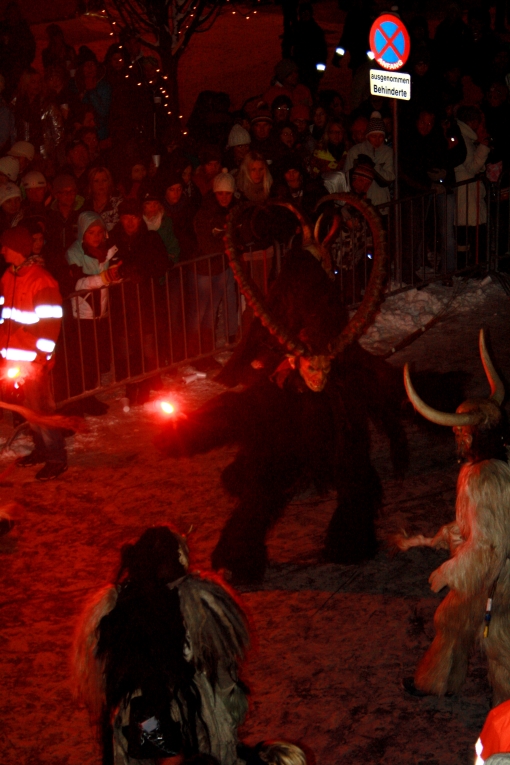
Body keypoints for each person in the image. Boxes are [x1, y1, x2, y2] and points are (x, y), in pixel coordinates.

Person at [396, 331, 510, 705]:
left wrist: (450, 571)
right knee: (451, 621)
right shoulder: (481, 471)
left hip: (500, 583)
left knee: (501, 647)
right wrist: (432, 539)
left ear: (471, 435)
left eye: (461, 432)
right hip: (487, 575)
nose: (457, 439)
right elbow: (474, 529)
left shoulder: (484, 478)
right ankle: (436, 681)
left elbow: (489, 548)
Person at [73, 525, 250, 765]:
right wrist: (230, 710)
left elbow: (102, 677)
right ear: (178, 557)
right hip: (188, 714)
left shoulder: (113, 604)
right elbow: (222, 670)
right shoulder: (199, 599)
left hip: (142, 717)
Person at [0, 225, 66, 480]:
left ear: (16, 248)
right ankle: (42, 450)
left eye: (6, 245)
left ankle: (56, 458)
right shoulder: (8, 277)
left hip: (33, 359)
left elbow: (51, 322)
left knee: (42, 409)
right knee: (30, 409)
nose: (2, 250)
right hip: (16, 358)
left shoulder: (41, 280)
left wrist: (43, 355)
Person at [192, 169, 239, 351]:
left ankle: (225, 336)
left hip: (224, 266)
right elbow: (205, 242)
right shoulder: (206, 212)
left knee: (223, 302)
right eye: (220, 193)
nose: (224, 198)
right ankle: (198, 345)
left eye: (228, 194)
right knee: (203, 308)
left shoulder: (235, 209)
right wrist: (227, 246)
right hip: (205, 267)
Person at [343, 111, 394, 212]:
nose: (377, 140)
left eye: (381, 136)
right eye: (374, 136)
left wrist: (372, 166)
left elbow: (388, 178)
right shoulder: (355, 151)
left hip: (381, 204)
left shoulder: (388, 152)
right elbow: (346, 179)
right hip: (360, 205)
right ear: (368, 136)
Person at [82, 165, 123, 232]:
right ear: (90, 184)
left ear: (109, 182)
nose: (100, 184)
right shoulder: (86, 204)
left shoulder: (118, 203)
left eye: (104, 180)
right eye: (96, 181)